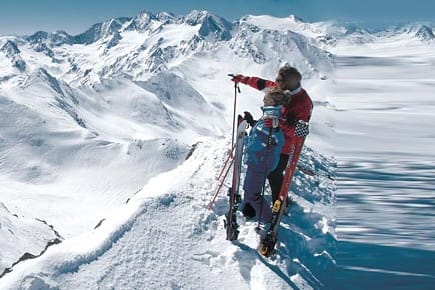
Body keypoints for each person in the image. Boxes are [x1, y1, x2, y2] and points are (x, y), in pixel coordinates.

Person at [232, 65, 313, 204]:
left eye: (279, 80)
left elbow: (301, 132)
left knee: (274, 173)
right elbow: (261, 84)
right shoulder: (279, 89)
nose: (275, 81)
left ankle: (281, 203)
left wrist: (280, 124)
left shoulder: (304, 103)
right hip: (270, 137)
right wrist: (243, 80)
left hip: (284, 147)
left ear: (287, 83)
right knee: (267, 169)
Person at [240, 88, 290, 223]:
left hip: (260, 162)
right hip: (259, 161)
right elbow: (263, 135)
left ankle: (268, 220)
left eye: (266, 98)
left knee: (252, 194)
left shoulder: (272, 118)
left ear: (272, 101)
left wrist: (244, 140)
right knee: (248, 189)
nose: (263, 99)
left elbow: (259, 142)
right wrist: (252, 123)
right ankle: (248, 211)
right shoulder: (272, 116)